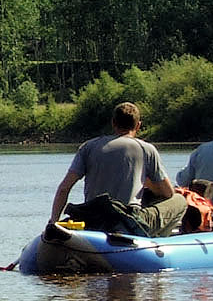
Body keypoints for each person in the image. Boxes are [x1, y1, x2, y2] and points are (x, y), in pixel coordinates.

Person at [47, 101, 189, 237]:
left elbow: (64, 188)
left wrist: (54, 221)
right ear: (138, 126)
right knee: (179, 201)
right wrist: (147, 183)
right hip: (128, 221)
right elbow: (167, 193)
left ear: (113, 123)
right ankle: (154, 242)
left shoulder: (88, 147)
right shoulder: (146, 149)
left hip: (93, 218)